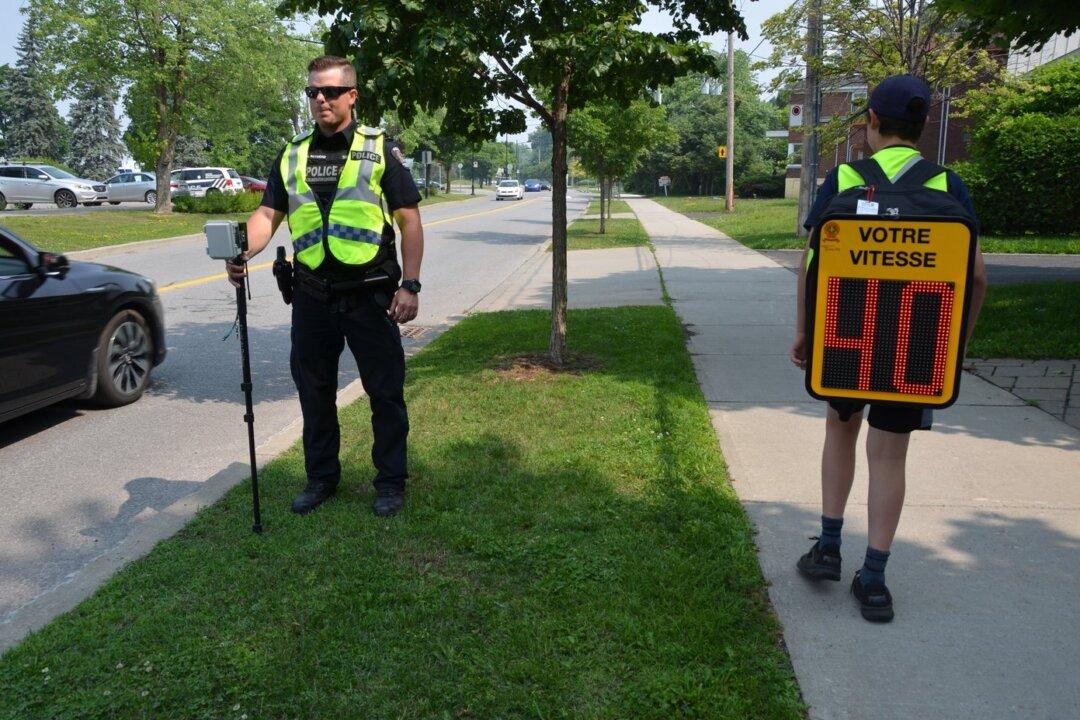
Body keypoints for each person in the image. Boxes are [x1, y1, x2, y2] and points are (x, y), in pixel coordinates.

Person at [789, 74, 988, 622]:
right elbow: (975, 278)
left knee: (839, 431)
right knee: (890, 455)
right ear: (923, 127)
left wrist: (804, 329)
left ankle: (828, 546)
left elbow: (812, 260)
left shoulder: (845, 177)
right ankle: (874, 579)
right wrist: (954, 346)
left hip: (847, 333)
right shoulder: (948, 185)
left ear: (870, 121)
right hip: (918, 343)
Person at [226, 55, 424, 518]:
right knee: (314, 392)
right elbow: (267, 216)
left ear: (352, 95)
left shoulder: (380, 149)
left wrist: (410, 285)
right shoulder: (292, 154)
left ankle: (390, 481)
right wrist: (244, 252)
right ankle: (321, 479)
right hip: (313, 295)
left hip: (371, 294)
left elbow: (410, 222)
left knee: (385, 392)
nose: (320, 99)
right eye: (313, 92)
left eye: (330, 91)